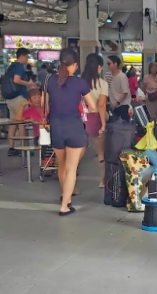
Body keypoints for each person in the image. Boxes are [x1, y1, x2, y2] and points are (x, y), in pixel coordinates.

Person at [44, 48, 96, 216]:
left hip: (56, 127)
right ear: (74, 65)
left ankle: (64, 196)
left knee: (62, 165)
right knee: (72, 167)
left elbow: (46, 106)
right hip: (74, 126)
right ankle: (65, 205)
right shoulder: (80, 83)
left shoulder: (50, 80)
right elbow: (93, 106)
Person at [81, 53, 108, 188]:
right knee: (101, 152)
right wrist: (103, 123)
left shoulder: (79, 81)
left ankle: (71, 181)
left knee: (78, 153)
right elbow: (102, 105)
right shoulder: (102, 83)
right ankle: (103, 180)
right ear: (98, 67)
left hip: (80, 118)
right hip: (95, 118)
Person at [6, 48, 36, 156]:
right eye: (27, 57)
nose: (27, 59)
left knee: (13, 124)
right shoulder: (19, 66)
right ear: (22, 56)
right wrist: (29, 84)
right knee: (22, 123)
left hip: (10, 99)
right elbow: (16, 80)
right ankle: (24, 148)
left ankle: (11, 148)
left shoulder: (11, 66)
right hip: (19, 99)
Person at [107, 55, 130, 121]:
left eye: (109, 64)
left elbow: (125, 92)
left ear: (115, 64)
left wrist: (117, 102)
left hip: (122, 105)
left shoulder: (122, 76)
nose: (108, 66)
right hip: (113, 106)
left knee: (123, 126)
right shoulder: (108, 75)